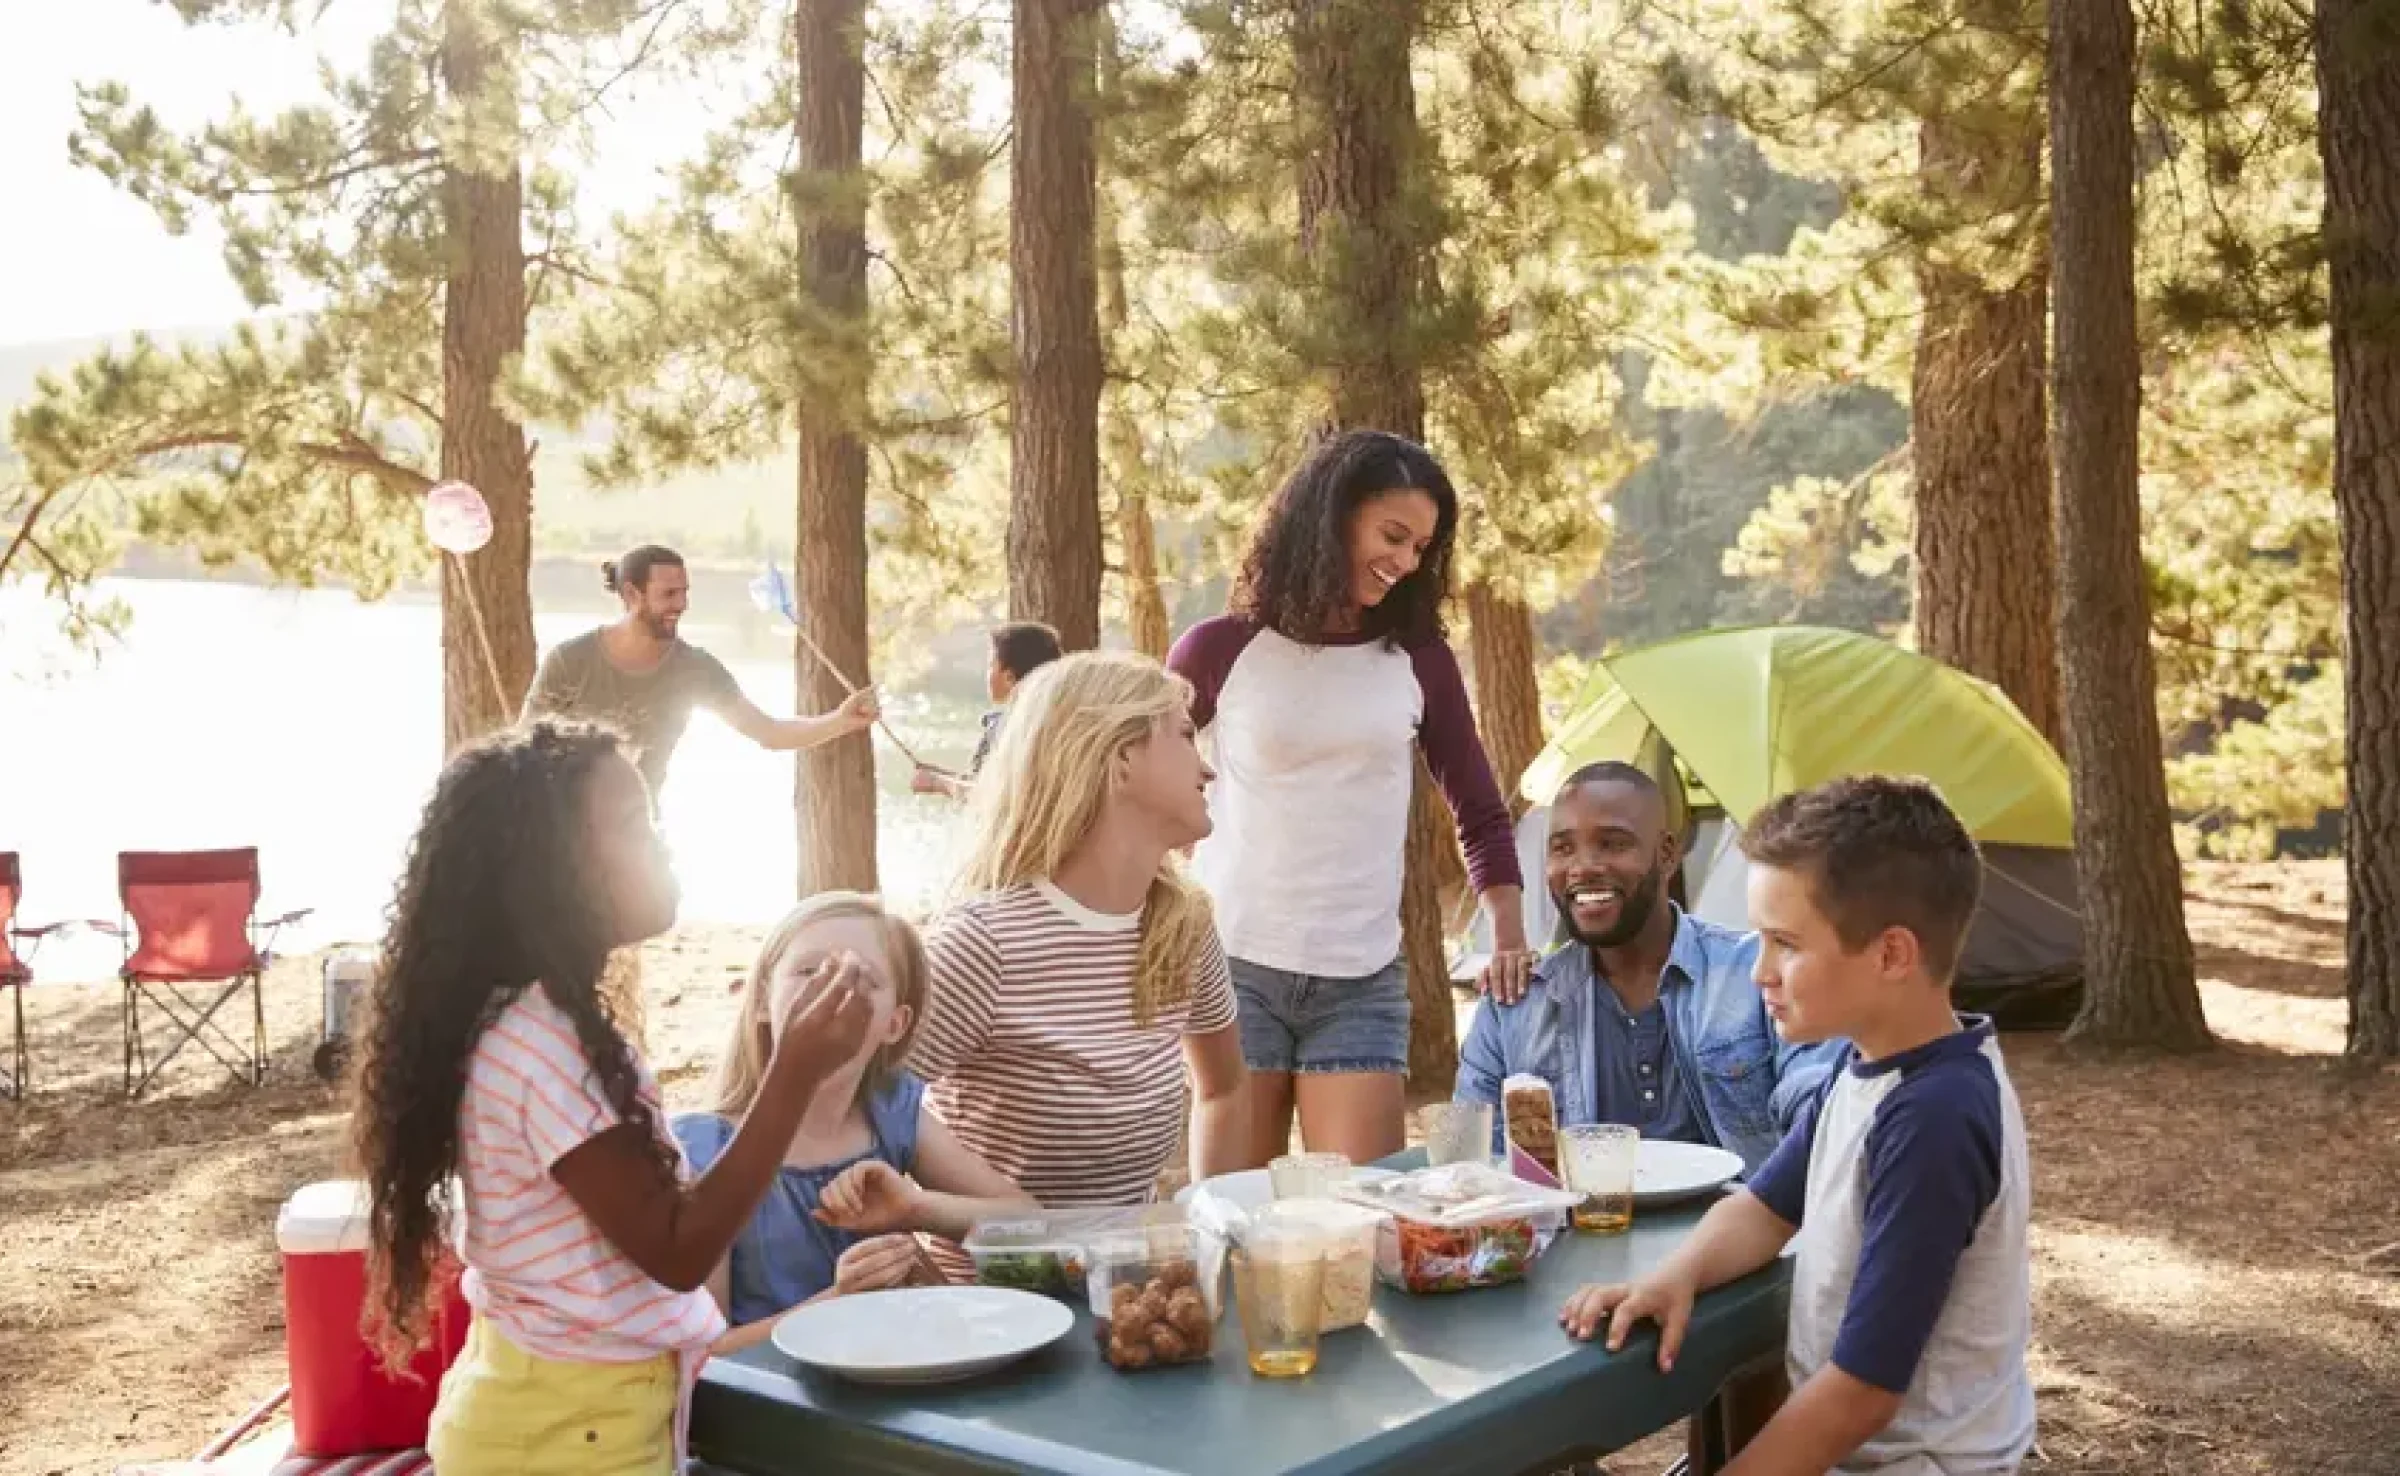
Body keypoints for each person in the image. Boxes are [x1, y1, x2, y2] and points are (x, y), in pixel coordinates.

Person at [348, 721, 874, 1475]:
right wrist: (792, 1073)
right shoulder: (542, 1046)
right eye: (634, 825)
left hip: (567, 1407)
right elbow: (678, 1248)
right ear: (551, 872)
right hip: (562, 1434)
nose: (661, 842)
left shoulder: (541, 1024)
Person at [1561, 776, 2035, 1476]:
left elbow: (1863, 1392)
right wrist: (1676, 1276)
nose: (1760, 973)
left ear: (1892, 955)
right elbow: (1764, 1208)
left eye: (1785, 943)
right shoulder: (1868, 1066)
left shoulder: (1934, 1117)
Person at [1168, 429, 1530, 1167]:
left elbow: (1478, 806)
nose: (1404, 562)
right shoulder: (1217, 650)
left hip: (1360, 980)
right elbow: (1142, 779)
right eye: (1393, 535)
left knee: (1363, 1227)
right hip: (1233, 970)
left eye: (1421, 548)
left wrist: (1508, 934)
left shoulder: (1419, 660)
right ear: (1332, 516)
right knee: (1231, 1227)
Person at [908, 650, 1251, 1229]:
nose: (1208, 768)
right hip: (993, 1311)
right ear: (1120, 758)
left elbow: (1224, 1089)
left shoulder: (1183, 926)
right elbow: (858, 1107)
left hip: (1130, 1301)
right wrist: (1008, 1215)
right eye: (1186, 737)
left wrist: (1209, 1234)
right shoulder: (981, 945)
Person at [672, 892, 1033, 1353]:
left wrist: (915, 1210)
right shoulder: (702, 1151)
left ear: (895, 1024)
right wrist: (837, 1302)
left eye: (862, 979)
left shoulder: (891, 1114)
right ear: (762, 1000)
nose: (835, 992)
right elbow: (701, 1355)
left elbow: (1029, 1222)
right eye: (809, 972)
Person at [1455, 762, 1843, 1174]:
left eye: (1612, 843)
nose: (1583, 866)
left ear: (1667, 853)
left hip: (1743, 1230)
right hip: (1586, 1234)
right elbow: (1472, 1165)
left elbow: (1822, 1117)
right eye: (1562, 848)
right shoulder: (1516, 1003)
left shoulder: (1755, 978)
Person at [521, 544, 879, 801]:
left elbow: (769, 732)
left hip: (639, 841)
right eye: (669, 594)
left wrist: (840, 721)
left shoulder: (696, 669)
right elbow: (523, 749)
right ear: (632, 594)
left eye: (685, 593)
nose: (681, 605)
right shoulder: (570, 661)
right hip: (563, 837)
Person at [912, 621, 1065, 801]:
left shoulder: (1017, 728)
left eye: (991, 664)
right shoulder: (1057, 722)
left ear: (1009, 677)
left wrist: (937, 783)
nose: (987, 673)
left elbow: (994, 795)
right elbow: (987, 781)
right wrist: (941, 774)